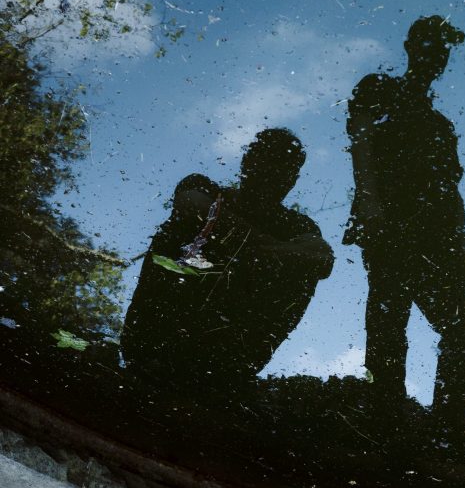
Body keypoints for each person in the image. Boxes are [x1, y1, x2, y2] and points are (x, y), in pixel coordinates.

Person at [344, 15, 465, 445]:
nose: (437, 54)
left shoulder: (440, 125)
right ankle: (385, 422)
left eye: (443, 48)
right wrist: (369, 202)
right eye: (429, 44)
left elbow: (449, 190)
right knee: (388, 323)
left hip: (441, 235)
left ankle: (448, 434)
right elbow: (360, 141)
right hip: (391, 224)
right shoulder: (378, 88)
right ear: (409, 47)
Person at [121, 128, 334, 390]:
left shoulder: (297, 225)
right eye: (266, 161)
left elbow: (322, 258)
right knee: (182, 229)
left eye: (283, 168)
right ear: (247, 162)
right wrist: (262, 247)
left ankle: (227, 367)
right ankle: (160, 351)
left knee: (302, 267)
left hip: (228, 357)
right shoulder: (207, 189)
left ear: (293, 179)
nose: (272, 174)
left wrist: (247, 247)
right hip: (156, 338)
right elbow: (192, 205)